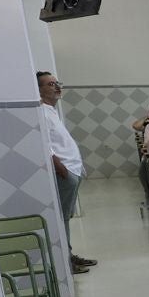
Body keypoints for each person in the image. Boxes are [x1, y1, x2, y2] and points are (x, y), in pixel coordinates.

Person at [36, 71, 96, 272]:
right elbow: (45, 145)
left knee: (66, 217)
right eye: (50, 84)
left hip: (71, 170)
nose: (56, 87)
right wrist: (60, 168)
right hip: (64, 171)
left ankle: (68, 254)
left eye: (57, 83)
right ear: (39, 89)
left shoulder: (52, 111)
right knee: (61, 217)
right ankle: (65, 261)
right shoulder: (41, 112)